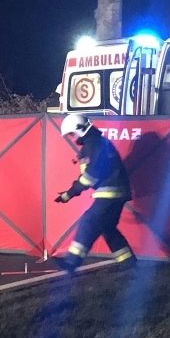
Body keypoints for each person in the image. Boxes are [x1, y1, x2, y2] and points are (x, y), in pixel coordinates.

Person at [52, 113, 135, 273]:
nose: (72, 137)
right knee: (108, 229)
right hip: (116, 191)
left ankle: (71, 261)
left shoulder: (93, 144)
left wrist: (69, 194)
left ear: (80, 129)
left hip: (110, 191)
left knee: (89, 221)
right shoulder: (96, 143)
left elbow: (90, 176)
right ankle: (129, 264)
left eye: (72, 133)